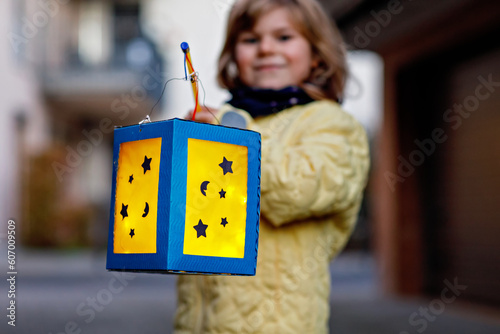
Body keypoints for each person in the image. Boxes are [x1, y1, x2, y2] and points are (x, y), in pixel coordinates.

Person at [175, 0, 370, 333]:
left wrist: (227, 138)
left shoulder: (331, 125)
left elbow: (300, 188)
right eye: (250, 40)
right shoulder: (224, 122)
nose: (266, 48)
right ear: (233, 55)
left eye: (283, 37)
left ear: (317, 54)